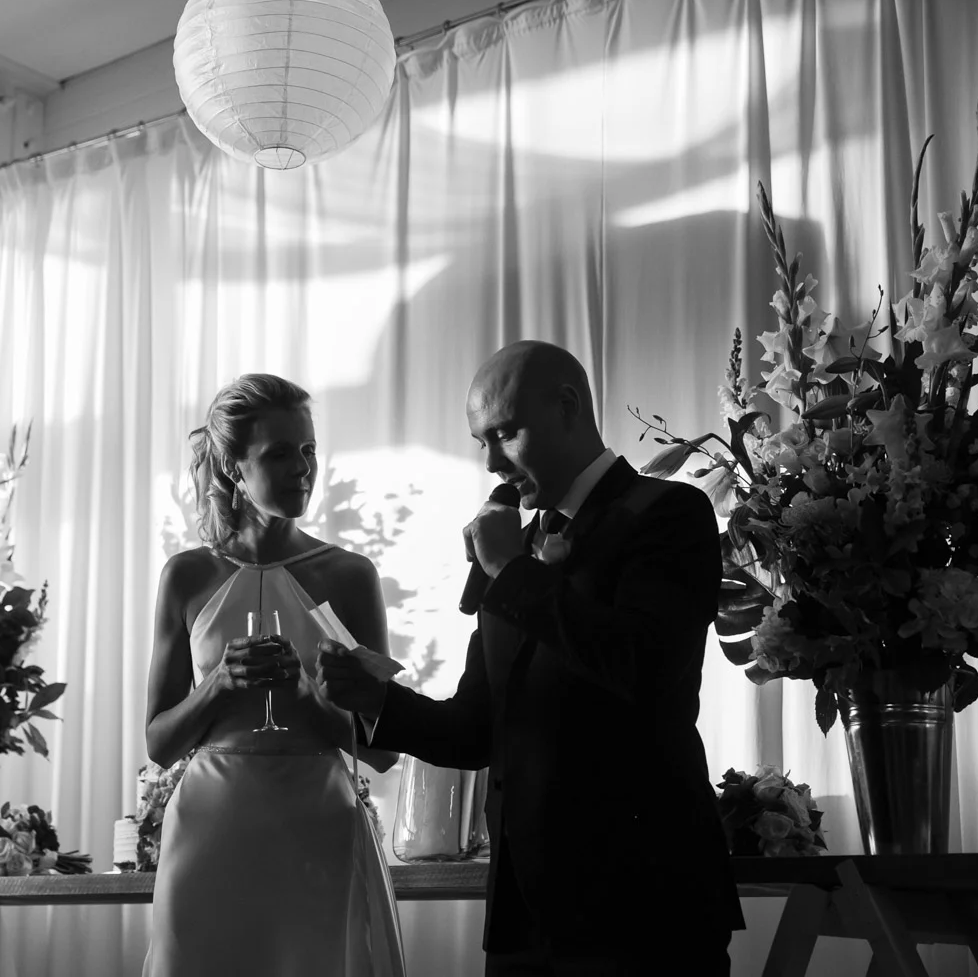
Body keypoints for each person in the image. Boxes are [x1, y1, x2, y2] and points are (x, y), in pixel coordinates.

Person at [318, 341, 745, 976]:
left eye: (504, 434)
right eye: (481, 442)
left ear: (567, 407)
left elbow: (646, 668)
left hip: (646, 899)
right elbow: (476, 729)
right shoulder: (512, 552)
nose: (492, 462)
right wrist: (375, 701)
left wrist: (513, 572)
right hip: (524, 916)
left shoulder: (668, 513)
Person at [142, 373, 404, 977]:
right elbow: (159, 743)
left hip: (318, 827)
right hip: (211, 826)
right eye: (280, 453)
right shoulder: (186, 576)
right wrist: (218, 685)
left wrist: (307, 698)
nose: (303, 468)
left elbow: (383, 749)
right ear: (232, 468)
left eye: (308, 449)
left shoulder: (350, 575)